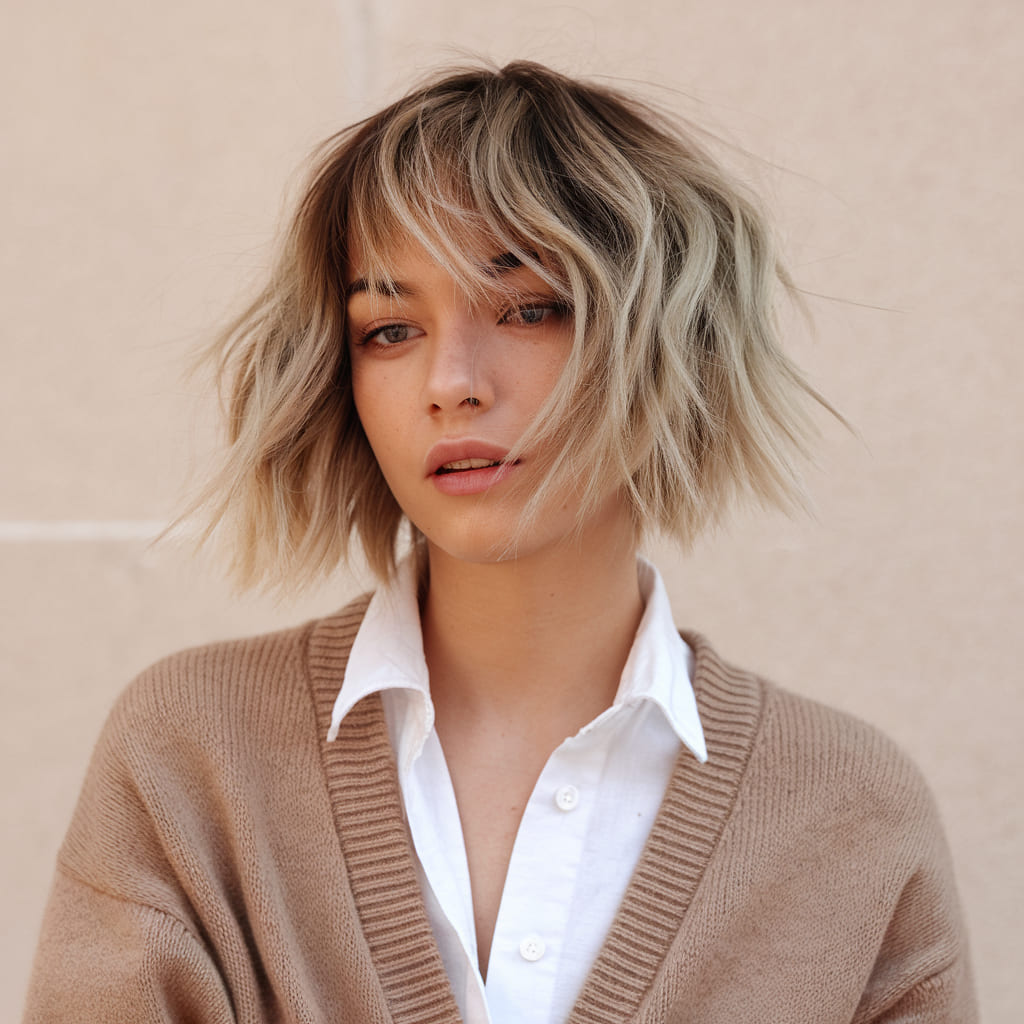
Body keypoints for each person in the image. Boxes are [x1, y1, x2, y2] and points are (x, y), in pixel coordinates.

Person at [24, 61, 975, 1023]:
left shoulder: (850, 811)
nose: (451, 382)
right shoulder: (192, 755)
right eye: (389, 328)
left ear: (668, 338)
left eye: (529, 310)